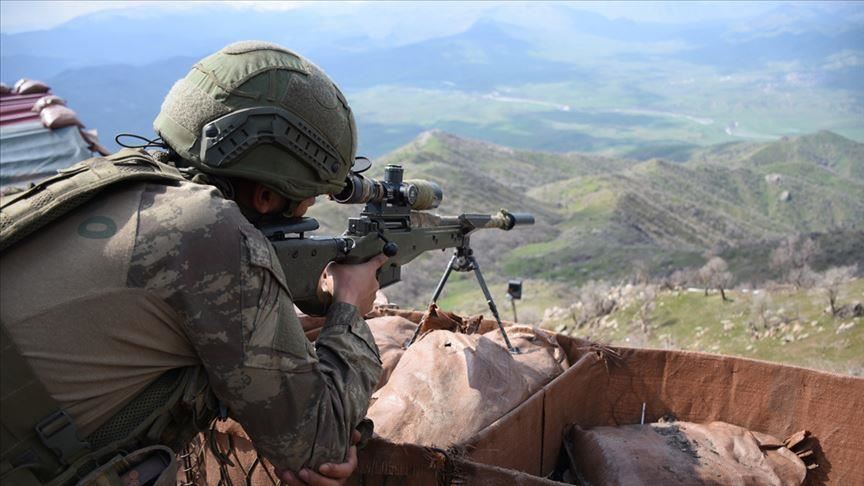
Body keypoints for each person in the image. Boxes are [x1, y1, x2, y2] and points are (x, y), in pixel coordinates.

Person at [0, 41, 384, 486]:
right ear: (265, 197)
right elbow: (318, 447)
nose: (305, 214)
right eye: (306, 203)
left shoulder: (115, 178)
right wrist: (350, 306)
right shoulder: (206, 229)